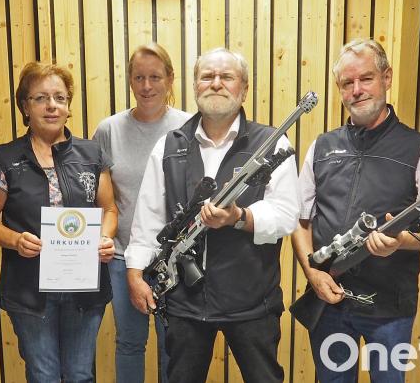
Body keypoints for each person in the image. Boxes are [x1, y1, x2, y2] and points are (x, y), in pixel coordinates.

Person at [124, 48, 299, 383]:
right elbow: (149, 218)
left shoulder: (272, 143)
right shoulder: (168, 145)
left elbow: (286, 214)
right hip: (185, 304)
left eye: (227, 77)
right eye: (207, 76)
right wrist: (134, 274)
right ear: (195, 85)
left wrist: (240, 217)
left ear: (244, 89)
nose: (216, 84)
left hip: (252, 302)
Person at [291, 38, 420, 383]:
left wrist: (401, 241)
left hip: (389, 310)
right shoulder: (321, 147)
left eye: (365, 79)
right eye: (347, 83)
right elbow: (300, 219)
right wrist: (313, 274)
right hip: (329, 300)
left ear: (386, 77)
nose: (357, 90)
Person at [0, 61, 118, 383]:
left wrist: (104, 239)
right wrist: (15, 240)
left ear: (69, 106)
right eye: (40, 98)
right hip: (29, 289)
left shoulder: (92, 153)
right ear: (24, 106)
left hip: (85, 286)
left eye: (59, 97)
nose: (51, 105)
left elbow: (109, 210)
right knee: (43, 375)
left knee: (80, 374)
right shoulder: (5, 157)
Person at [93, 43, 191, 383]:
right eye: (139, 77)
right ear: (130, 81)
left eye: (155, 77)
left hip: (174, 258)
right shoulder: (108, 130)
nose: (147, 86)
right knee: (130, 343)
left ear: (170, 79)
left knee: (172, 344)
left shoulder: (189, 127)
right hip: (122, 258)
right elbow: (101, 198)